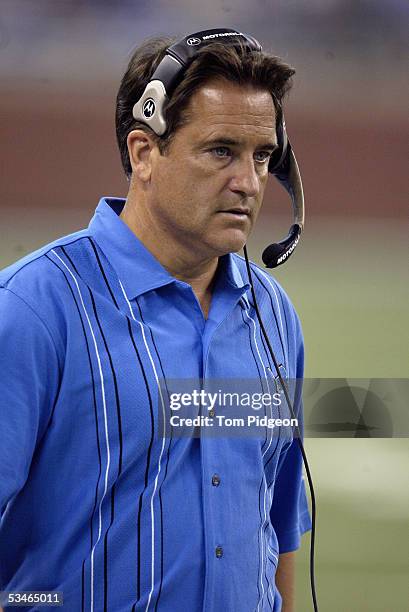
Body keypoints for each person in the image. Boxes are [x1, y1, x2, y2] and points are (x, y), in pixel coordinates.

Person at [0, 31, 311, 611]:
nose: (248, 182)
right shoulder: (34, 309)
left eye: (263, 156)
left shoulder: (273, 317)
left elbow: (278, 523)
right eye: (221, 150)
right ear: (144, 152)